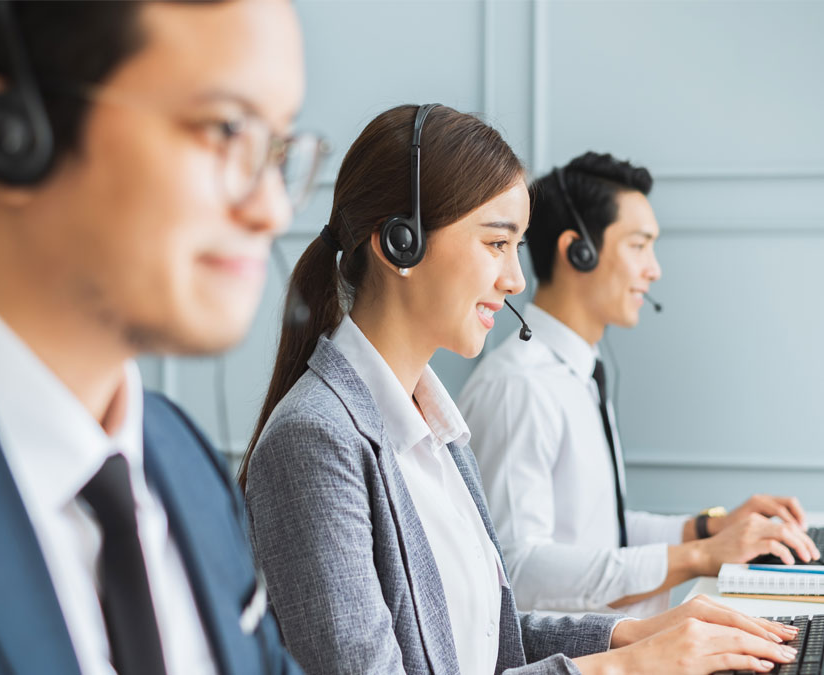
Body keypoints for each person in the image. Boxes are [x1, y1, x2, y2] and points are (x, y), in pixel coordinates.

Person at [240, 105, 799, 675]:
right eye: (495, 244)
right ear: (399, 243)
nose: (516, 280)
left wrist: (633, 634)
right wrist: (626, 667)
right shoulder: (314, 441)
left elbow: (485, 639)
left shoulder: (437, 428)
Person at [0, 1, 324, 673]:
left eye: (278, 145)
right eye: (226, 129)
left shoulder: (183, 463)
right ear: (11, 133)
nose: (273, 208)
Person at [458, 151, 817, 619]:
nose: (654, 269)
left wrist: (708, 529)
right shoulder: (519, 388)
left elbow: (595, 531)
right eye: (639, 245)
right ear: (578, 252)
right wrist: (698, 557)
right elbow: (517, 571)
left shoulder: (578, 373)